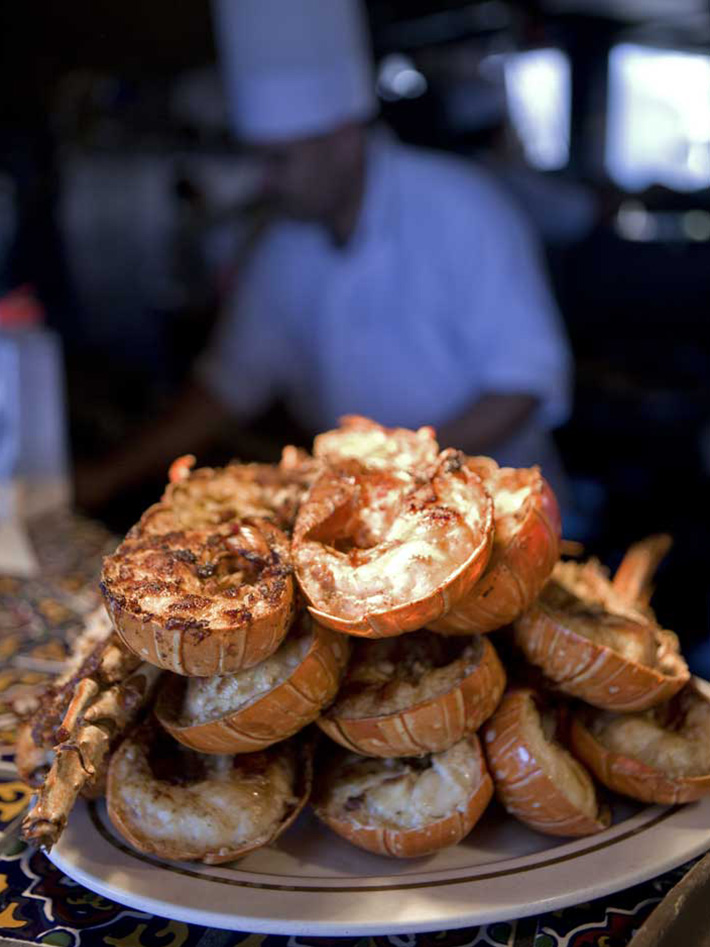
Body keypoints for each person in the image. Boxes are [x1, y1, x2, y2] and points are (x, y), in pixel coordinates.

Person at [76, 0, 572, 511]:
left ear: (342, 140)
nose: (264, 180)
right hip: (364, 520)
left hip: (493, 515)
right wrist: (108, 476)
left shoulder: (461, 208)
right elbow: (226, 385)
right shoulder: (282, 245)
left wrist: (394, 478)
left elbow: (522, 382)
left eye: (280, 159)